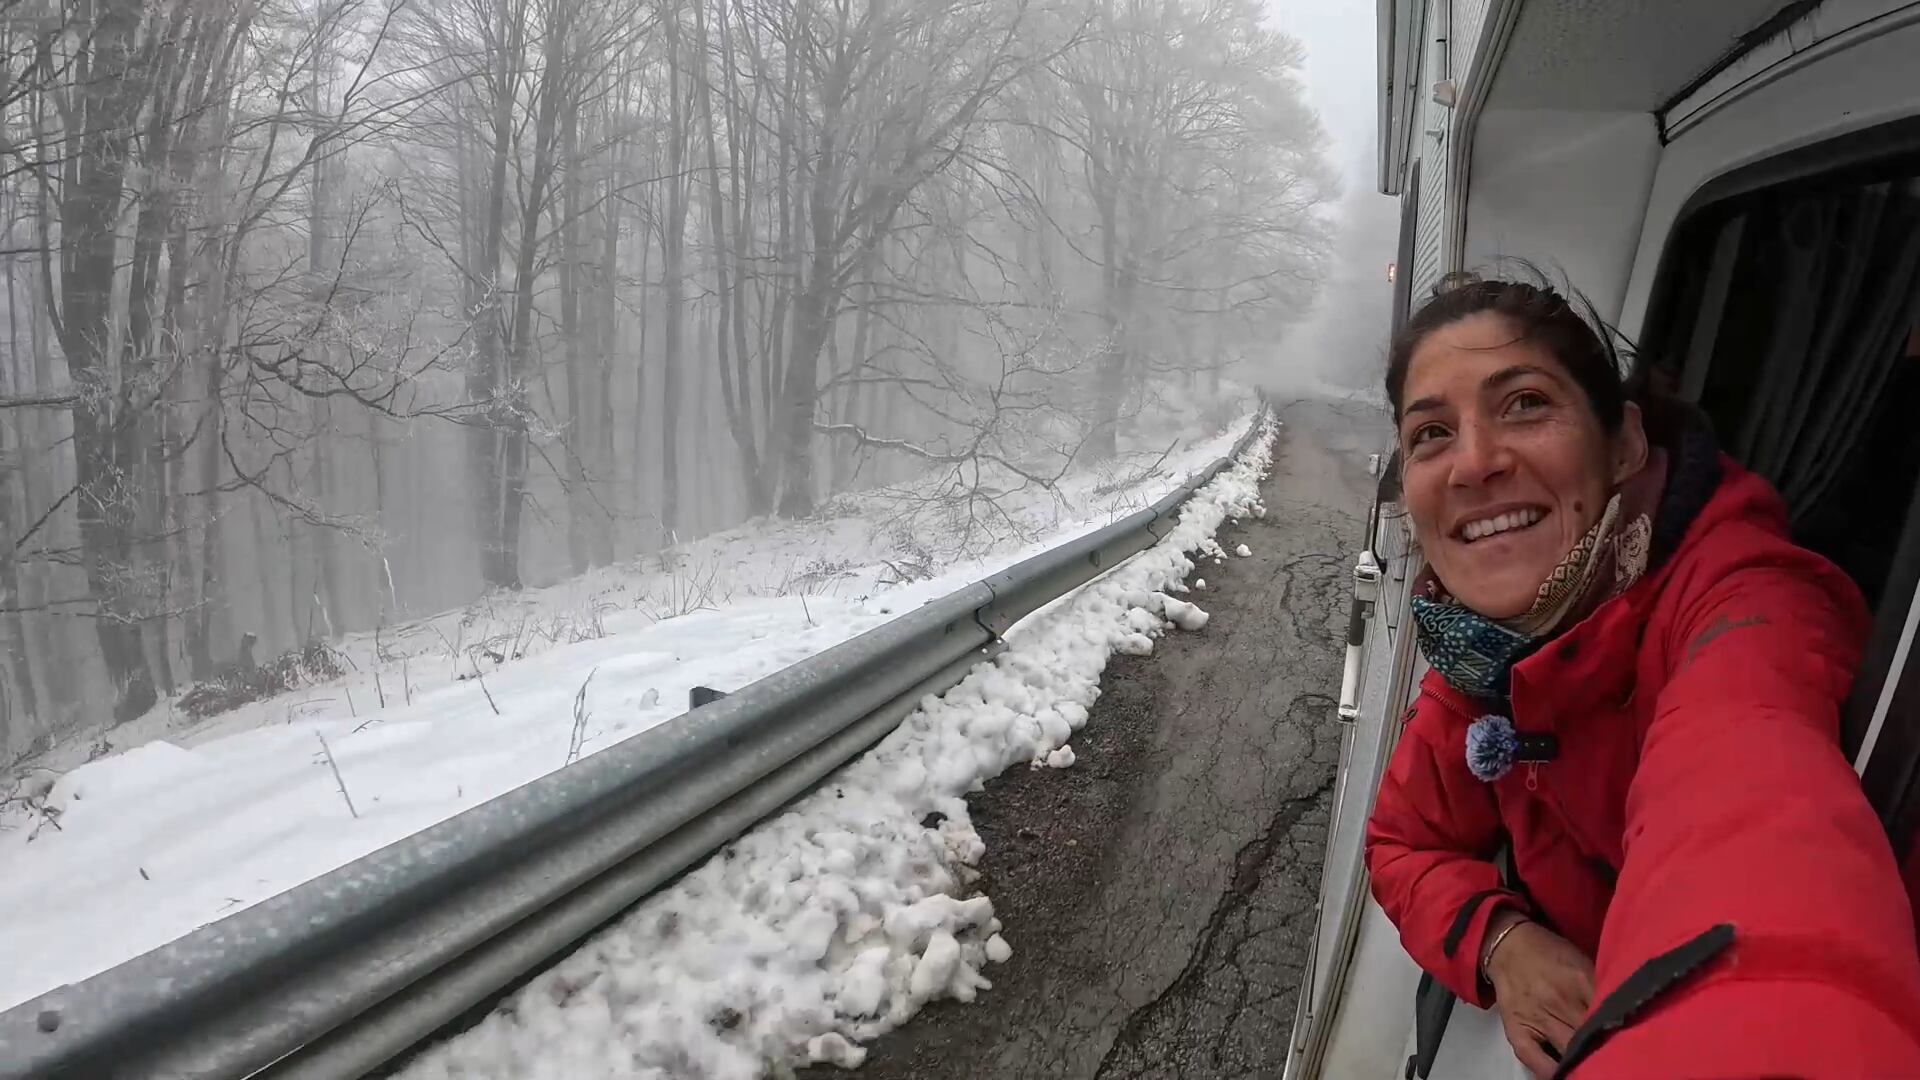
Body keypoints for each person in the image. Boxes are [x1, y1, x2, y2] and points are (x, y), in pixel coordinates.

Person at [1363, 273, 1920, 1078]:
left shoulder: (1742, 605)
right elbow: (1401, 840)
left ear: (1623, 442)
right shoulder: (1484, 657)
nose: (1474, 462)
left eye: (1524, 403)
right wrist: (1501, 941)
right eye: (1432, 433)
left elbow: (1752, 812)